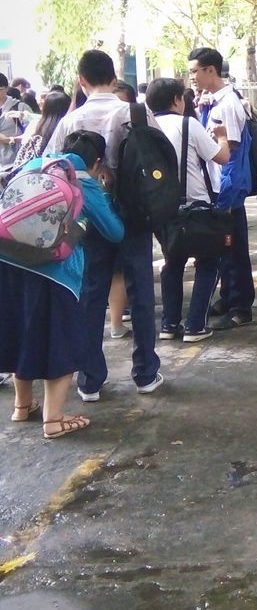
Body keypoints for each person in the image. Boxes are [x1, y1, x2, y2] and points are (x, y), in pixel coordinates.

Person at [45, 50, 163, 400]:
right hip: (136, 214)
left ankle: (91, 379)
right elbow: (162, 158)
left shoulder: (71, 121)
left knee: (92, 293)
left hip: (90, 218)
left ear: (81, 80)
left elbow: (55, 169)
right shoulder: (137, 113)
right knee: (140, 290)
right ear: (114, 78)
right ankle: (145, 374)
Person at [0, 130, 124, 438]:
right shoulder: (82, 180)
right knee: (61, 340)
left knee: (21, 330)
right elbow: (115, 232)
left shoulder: (34, 164)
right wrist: (100, 200)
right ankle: (53, 419)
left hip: (8, 259)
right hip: (54, 271)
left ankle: (22, 405)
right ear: (97, 162)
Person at [146, 77, 230, 341]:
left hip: (160, 210)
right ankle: (195, 325)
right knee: (209, 261)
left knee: (173, 262)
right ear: (176, 100)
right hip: (195, 207)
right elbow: (221, 157)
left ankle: (169, 325)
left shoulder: (146, 127)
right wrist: (223, 137)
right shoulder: (188, 124)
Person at [188, 46, 256, 329]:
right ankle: (229, 296)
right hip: (216, 184)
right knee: (223, 245)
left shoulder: (228, 104)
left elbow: (233, 150)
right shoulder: (212, 101)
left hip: (227, 186)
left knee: (235, 246)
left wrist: (227, 193)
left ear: (210, 70)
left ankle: (241, 304)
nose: (191, 77)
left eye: (194, 71)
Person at [11, 90, 70, 170]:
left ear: (46, 109)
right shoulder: (69, 131)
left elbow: (20, 161)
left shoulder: (36, 131)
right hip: (62, 179)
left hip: (33, 178)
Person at [0, 73, 23, 173]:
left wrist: (12, 139)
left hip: (16, 164)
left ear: (6, 88)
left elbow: (35, 133)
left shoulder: (19, 107)